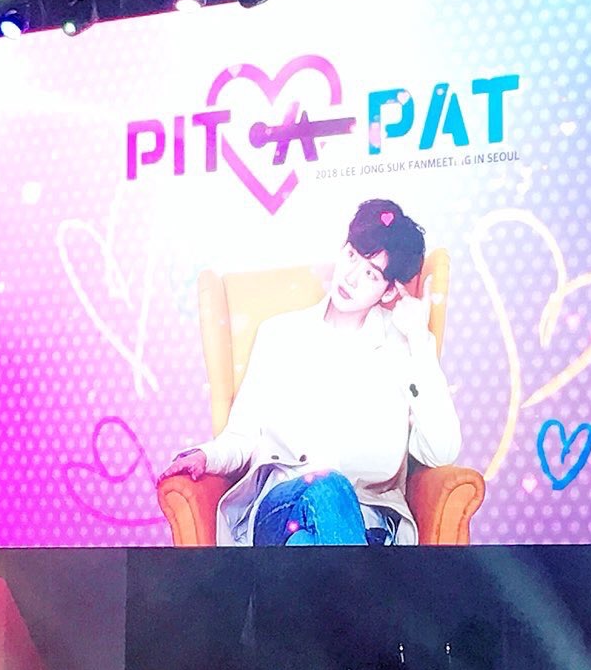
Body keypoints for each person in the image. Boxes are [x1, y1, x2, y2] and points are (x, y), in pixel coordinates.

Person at [160, 200, 462, 544]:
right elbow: (243, 437)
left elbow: (441, 451)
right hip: (282, 508)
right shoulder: (280, 334)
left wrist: (419, 340)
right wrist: (207, 456)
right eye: (352, 255)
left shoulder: (403, 350)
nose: (351, 277)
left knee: (303, 543)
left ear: (390, 290)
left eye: (371, 274)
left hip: (364, 524)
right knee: (328, 486)